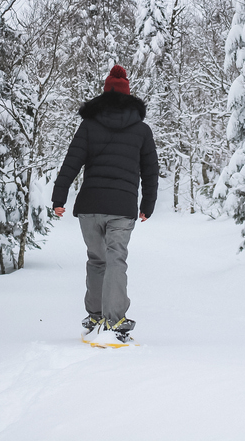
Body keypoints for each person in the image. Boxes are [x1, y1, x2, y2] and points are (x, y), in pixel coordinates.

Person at [52, 65, 159, 343]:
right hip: (122, 208)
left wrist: (59, 197)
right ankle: (114, 322)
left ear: (104, 93)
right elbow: (150, 171)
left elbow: (71, 162)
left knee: (96, 260)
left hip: (90, 206)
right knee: (116, 260)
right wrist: (148, 203)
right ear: (128, 95)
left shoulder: (89, 125)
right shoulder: (142, 130)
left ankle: (96, 316)